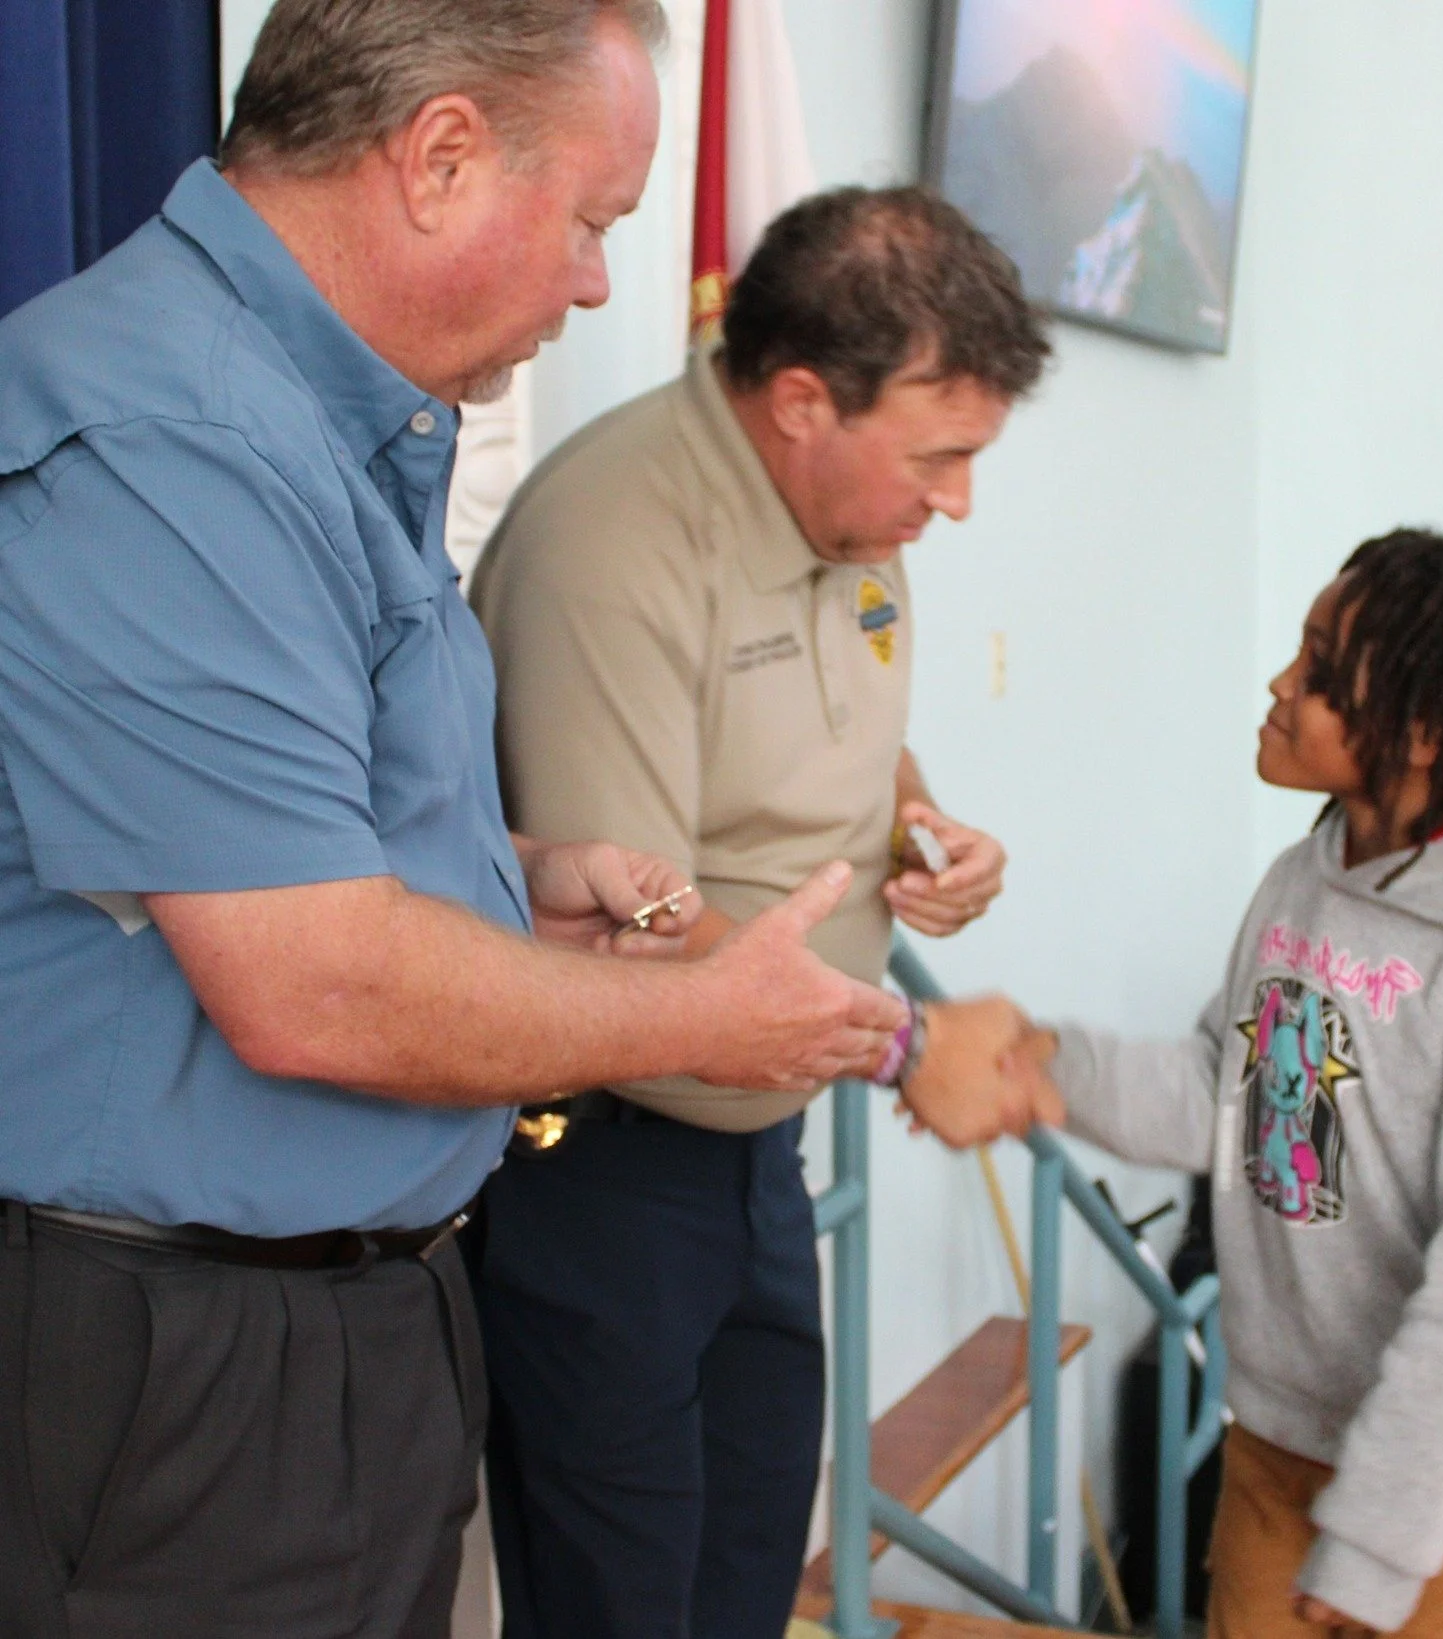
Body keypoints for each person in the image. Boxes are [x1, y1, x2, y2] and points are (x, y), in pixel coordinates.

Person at [0, 5, 925, 1636]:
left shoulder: (319, 423)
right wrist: (692, 1008)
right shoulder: (178, 438)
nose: (591, 282)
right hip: (177, 1353)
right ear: (433, 156)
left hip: (343, 1318)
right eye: (586, 222)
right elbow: (308, 977)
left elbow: (258, 835)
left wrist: (502, 883)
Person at [466, 186, 1057, 1638]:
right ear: (799, 399)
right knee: (619, 1605)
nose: (956, 500)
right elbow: (635, 933)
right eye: (942, 456)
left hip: (755, 1163)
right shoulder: (615, 545)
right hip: (602, 1173)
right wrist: (906, 1044)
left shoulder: (849, 515)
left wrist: (921, 825)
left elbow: (842, 736)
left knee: (740, 1587)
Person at [980, 529, 1443, 1637]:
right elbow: (1223, 1090)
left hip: (1440, 1489)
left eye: (1323, 673)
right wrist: (1048, 1071)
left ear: (1429, 733)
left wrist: (1378, 1539)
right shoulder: (1305, 877)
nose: (1282, 685)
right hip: (1276, 1438)